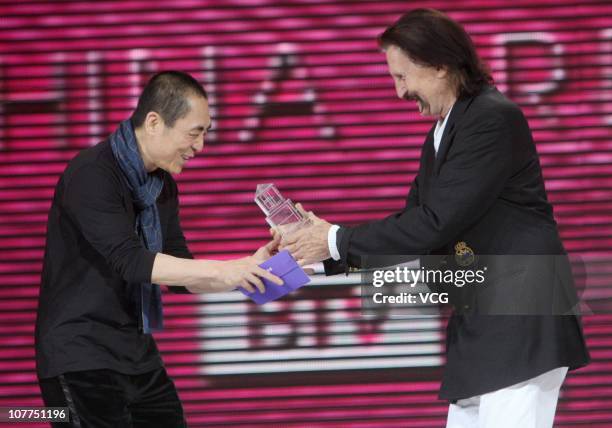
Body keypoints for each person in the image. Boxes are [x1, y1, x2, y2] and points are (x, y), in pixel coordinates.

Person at [279, 9, 590, 428]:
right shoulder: (445, 132)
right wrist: (314, 251)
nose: (399, 91)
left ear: (441, 66)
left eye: (402, 76)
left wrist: (333, 239)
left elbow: (435, 222)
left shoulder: (491, 119)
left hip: (521, 322)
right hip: (482, 322)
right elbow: (414, 226)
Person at [35, 70, 283, 427]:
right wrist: (229, 268)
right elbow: (132, 262)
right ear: (154, 122)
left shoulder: (160, 187)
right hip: (81, 356)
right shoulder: (92, 173)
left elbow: (182, 275)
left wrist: (250, 269)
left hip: (137, 355)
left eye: (205, 133)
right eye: (194, 132)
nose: (199, 146)